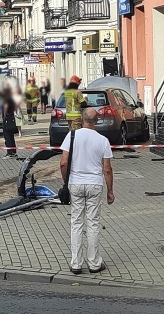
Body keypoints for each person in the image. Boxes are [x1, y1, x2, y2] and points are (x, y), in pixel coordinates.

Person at [60, 108, 114, 275]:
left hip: (75, 183)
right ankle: (94, 263)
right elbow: (107, 169)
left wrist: (66, 182)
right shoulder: (103, 140)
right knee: (93, 223)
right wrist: (110, 191)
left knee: (76, 223)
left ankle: (76, 264)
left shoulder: (72, 136)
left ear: (82, 119)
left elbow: (63, 163)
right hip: (95, 185)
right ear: (96, 121)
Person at [2, 86, 18, 159]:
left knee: (7, 136)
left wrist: (4, 116)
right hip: (12, 118)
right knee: (11, 136)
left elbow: (5, 107)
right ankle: (14, 152)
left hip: (7, 119)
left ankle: (9, 153)